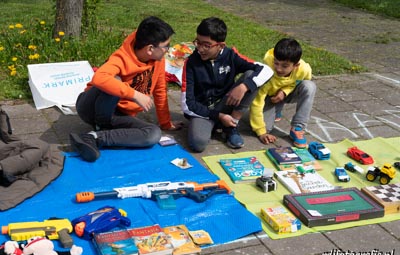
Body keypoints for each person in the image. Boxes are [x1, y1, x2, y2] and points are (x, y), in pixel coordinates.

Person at [70, 16, 183, 162]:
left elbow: (160, 90)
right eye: (166, 46)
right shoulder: (121, 57)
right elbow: (99, 78)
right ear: (150, 49)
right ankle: (103, 128)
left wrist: (165, 123)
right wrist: (135, 94)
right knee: (114, 80)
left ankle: (94, 137)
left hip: (118, 115)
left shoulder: (158, 59)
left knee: (153, 134)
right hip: (91, 106)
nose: (168, 50)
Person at [181, 17, 273, 152]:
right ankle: (217, 124)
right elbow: (187, 105)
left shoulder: (231, 56)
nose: (200, 49)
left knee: (250, 76)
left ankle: (231, 126)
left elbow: (267, 70)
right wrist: (217, 116)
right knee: (198, 144)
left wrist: (244, 86)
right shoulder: (191, 63)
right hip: (203, 111)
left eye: (206, 45)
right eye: (198, 42)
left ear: (221, 46)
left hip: (226, 104)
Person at [249, 37, 316, 148]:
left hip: (287, 93)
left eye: (284, 66)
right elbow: (257, 103)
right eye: (276, 63)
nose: (279, 69)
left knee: (309, 87)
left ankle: (297, 128)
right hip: (270, 97)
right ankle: (277, 107)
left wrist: (284, 91)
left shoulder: (304, 69)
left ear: (296, 66)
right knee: (265, 129)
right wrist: (261, 132)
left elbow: (299, 82)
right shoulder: (267, 72)